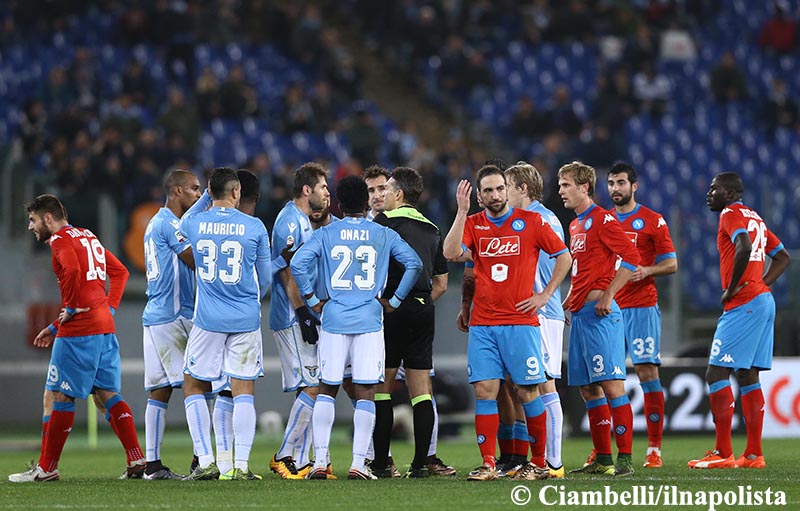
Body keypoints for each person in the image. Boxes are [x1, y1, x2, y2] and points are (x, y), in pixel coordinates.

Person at [443, 165, 572, 481]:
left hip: (521, 322)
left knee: (528, 391)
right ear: (480, 195)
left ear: (507, 189)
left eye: (500, 188)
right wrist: (461, 212)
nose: (496, 195)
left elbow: (564, 256)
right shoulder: (474, 224)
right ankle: (488, 463)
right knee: (486, 391)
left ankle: (539, 463)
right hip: (484, 325)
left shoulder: (531, 222)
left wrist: (545, 294)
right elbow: (450, 253)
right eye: (488, 190)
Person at [290, 175, 422, 480]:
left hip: (334, 318)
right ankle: (358, 463)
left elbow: (297, 264)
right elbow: (413, 264)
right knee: (365, 390)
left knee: (327, 388)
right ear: (365, 203)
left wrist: (312, 299)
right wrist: (396, 300)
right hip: (369, 319)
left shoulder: (326, 233)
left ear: (339, 203)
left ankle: (321, 462)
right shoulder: (381, 233)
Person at [10, 195, 144, 482]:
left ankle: (47, 469)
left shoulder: (59, 240)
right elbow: (119, 272)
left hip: (80, 330)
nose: (31, 227)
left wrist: (69, 310)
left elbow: (71, 271)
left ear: (48, 217)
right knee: (106, 394)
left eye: (33, 220)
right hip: (104, 327)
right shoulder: (88, 236)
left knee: (57, 394)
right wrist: (107, 309)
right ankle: (136, 458)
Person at [688, 172, 790, 469]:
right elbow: (782, 257)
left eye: (714, 189)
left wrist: (733, 288)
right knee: (747, 375)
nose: (709, 194)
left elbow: (743, 246)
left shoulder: (730, 213)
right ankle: (754, 455)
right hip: (762, 301)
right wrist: (762, 283)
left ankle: (723, 452)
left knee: (715, 373)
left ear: (730, 193)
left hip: (744, 303)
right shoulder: (755, 216)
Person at [179, 167, 272, 481]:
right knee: (243, 388)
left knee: (193, 383)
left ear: (210, 191)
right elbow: (267, 280)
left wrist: (207, 194)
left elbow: (183, 221)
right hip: (245, 317)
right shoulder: (255, 226)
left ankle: (206, 460)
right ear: (237, 192)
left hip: (208, 319)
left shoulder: (195, 223)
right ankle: (241, 466)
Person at [557, 161, 640, 477]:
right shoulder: (576, 225)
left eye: (566, 185)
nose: (561, 191)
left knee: (611, 385)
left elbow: (631, 259)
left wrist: (608, 295)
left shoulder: (602, 219)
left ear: (583, 187)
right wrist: (570, 299)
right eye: (560, 185)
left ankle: (625, 460)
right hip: (580, 316)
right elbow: (583, 269)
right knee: (589, 390)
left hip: (602, 315)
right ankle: (603, 458)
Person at [370, 167, 449, 478]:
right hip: (422, 309)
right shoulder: (432, 228)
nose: (383, 195)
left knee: (382, 389)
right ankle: (420, 463)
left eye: (387, 189)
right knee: (421, 391)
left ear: (399, 194)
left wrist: (391, 304)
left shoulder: (384, 222)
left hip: (390, 308)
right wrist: (421, 302)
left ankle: (380, 463)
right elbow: (441, 283)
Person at [607, 162, 677, 469]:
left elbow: (672, 263)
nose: (615, 189)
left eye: (621, 183)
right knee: (605, 379)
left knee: (647, 373)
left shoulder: (653, 220)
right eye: (610, 183)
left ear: (634, 186)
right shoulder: (602, 220)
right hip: (608, 308)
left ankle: (654, 449)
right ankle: (607, 450)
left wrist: (647, 270)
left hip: (642, 307)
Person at [503, 162, 568, 479]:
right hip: (528, 313)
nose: (504, 193)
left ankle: (553, 464)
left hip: (542, 313)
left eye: (507, 187)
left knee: (544, 385)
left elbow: (564, 259)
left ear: (522, 189)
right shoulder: (528, 218)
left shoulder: (542, 218)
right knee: (525, 387)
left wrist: (546, 295)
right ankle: (538, 459)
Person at [268, 162, 330, 480]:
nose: (327, 192)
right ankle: (283, 456)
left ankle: (300, 459)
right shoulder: (289, 221)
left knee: (310, 386)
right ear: (307, 190)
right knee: (314, 385)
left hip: (303, 313)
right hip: (291, 315)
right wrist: (302, 312)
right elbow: (286, 269)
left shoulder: (304, 221)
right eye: (322, 187)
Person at [141, 169, 201, 480]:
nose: (198, 193)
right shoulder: (170, 224)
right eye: (193, 188)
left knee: (160, 390)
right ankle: (201, 460)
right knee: (198, 385)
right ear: (176, 191)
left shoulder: (154, 223)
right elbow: (193, 259)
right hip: (174, 317)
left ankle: (152, 465)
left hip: (154, 315)